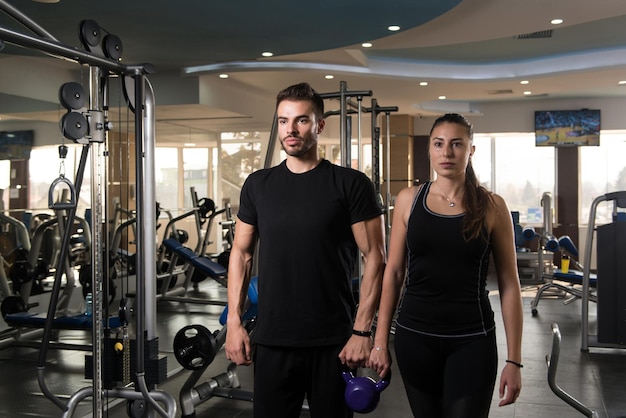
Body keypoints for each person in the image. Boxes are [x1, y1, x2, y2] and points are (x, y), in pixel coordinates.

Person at [224, 82, 386, 418]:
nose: (290, 129)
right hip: (272, 339)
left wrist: (361, 330)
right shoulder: (258, 185)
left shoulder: (351, 184)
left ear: (319, 125)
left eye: (301, 120)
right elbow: (241, 255)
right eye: (283, 121)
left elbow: (376, 257)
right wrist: (235, 323)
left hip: (333, 343)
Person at [369, 113, 523, 417]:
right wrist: (379, 341)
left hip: (472, 340)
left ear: (471, 150)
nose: (447, 152)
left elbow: (509, 284)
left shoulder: (493, 206)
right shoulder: (409, 199)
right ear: (430, 149)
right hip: (415, 337)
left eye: (456, 144)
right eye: (439, 144)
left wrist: (515, 360)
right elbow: (395, 272)